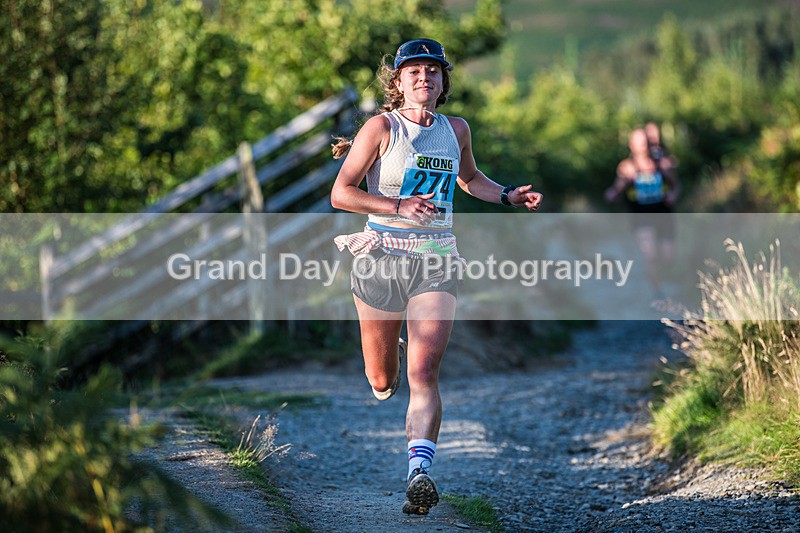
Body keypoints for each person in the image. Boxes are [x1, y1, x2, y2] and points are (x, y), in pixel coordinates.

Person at [329, 38, 543, 515]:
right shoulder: (381, 127)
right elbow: (341, 193)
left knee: (424, 373)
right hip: (382, 256)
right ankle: (389, 359)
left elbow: (470, 179)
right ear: (398, 82)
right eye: (414, 72)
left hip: (436, 258)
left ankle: (418, 473)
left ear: (444, 82)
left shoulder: (457, 129)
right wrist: (396, 205)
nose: (424, 78)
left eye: (433, 71)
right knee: (382, 379)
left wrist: (507, 195)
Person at [605, 127, 680, 297]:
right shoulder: (627, 167)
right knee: (650, 254)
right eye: (639, 142)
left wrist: (673, 195)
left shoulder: (663, 164)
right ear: (632, 145)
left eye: (645, 141)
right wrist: (615, 192)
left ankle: (664, 279)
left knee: (668, 257)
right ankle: (657, 291)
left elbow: (676, 186)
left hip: (663, 214)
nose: (643, 145)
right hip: (641, 216)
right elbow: (617, 190)